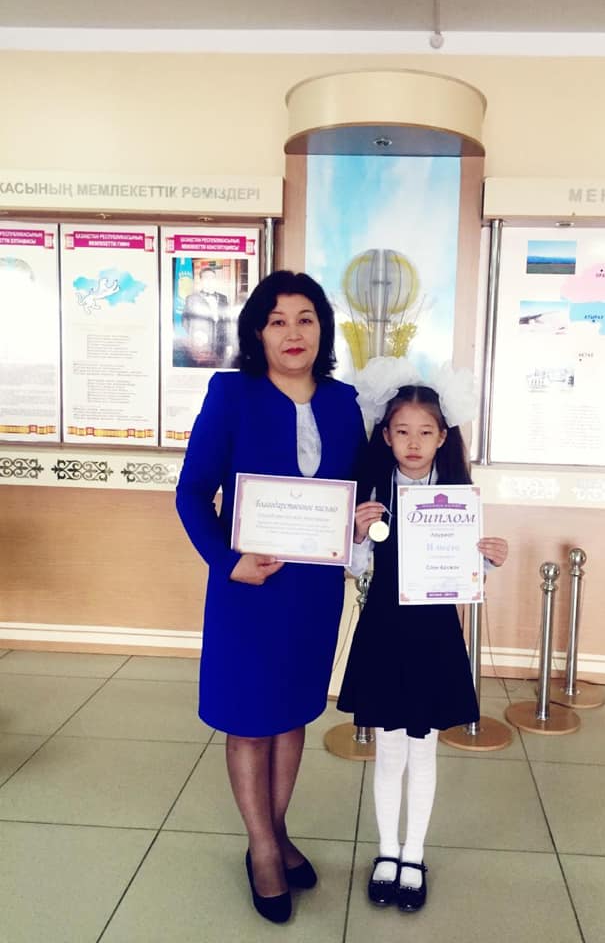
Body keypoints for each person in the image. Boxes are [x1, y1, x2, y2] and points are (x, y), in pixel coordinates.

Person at [176, 270, 366, 924]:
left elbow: (354, 490)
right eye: (277, 319)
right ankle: (262, 849)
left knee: (291, 716)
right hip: (249, 589)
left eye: (306, 318)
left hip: (313, 592)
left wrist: (364, 520)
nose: (293, 332)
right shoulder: (232, 394)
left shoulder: (343, 402)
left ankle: (278, 832)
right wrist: (228, 561)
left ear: (323, 330)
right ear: (257, 331)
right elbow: (192, 492)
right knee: (248, 719)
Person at [337, 358, 508, 914]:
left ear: (442, 437)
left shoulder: (458, 494)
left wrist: (488, 559)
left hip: (435, 635)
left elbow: (465, 575)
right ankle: (387, 852)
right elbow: (354, 568)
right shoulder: (373, 490)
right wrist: (356, 534)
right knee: (388, 749)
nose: (414, 443)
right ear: (386, 435)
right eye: (402, 431)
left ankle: (414, 855)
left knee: (424, 748)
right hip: (384, 629)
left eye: (425, 432)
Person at [179, 266, 236, 367]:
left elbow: (227, 323)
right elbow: (185, 321)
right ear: (201, 281)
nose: (210, 280)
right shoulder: (191, 299)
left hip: (220, 346)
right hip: (201, 348)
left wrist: (229, 344)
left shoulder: (223, 298)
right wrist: (196, 335)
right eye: (206, 278)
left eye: (212, 278)